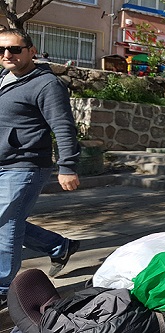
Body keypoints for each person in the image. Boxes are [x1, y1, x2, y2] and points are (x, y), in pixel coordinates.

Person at [0, 29, 81, 308]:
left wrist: (67, 166)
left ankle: (2, 288)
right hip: (2, 161)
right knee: (8, 220)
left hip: (25, 164)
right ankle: (58, 246)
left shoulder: (47, 84)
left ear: (31, 51)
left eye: (14, 49)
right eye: (1, 50)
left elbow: (63, 126)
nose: (7, 55)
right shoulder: (3, 79)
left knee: (6, 223)